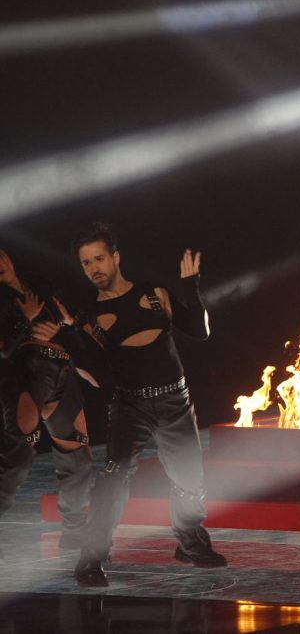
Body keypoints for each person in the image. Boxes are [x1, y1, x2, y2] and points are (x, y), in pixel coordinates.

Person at [36, 223, 225, 587]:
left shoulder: (154, 294)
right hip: (129, 407)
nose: (94, 268)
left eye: (100, 258)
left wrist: (190, 287)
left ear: (116, 257)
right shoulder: (90, 319)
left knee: (190, 481)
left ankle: (190, 542)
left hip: (175, 402)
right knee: (113, 480)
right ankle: (91, 558)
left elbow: (200, 331)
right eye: (86, 263)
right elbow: (97, 377)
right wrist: (70, 337)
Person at [0, 248, 93, 553]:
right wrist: (23, 320)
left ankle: (75, 530)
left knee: (76, 453)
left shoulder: (39, 283)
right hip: (25, 372)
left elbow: (71, 322)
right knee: (17, 454)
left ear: (7, 256)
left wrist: (66, 325)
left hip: (62, 370)